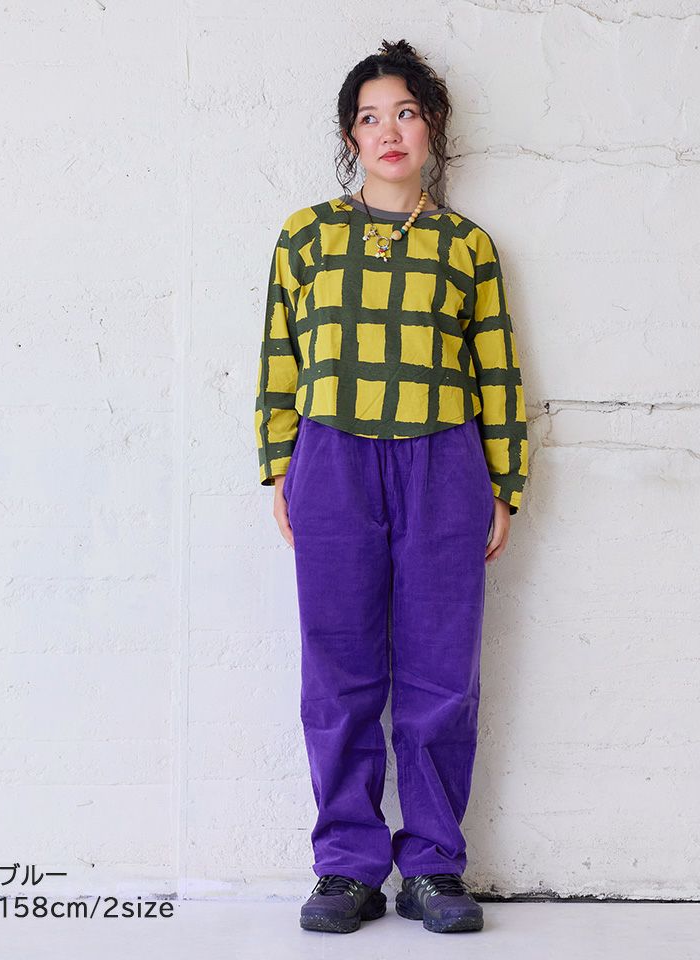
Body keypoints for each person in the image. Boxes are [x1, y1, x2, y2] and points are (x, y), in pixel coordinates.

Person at [254, 38, 529, 935]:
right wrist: (281, 463)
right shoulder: (306, 236)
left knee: (441, 672)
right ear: (350, 137)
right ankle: (346, 867)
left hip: (444, 464)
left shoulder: (467, 247)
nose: (389, 131)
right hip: (333, 461)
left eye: (405, 112)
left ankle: (435, 867)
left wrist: (505, 482)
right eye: (370, 117)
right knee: (338, 670)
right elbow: (280, 355)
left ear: (432, 125)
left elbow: (497, 370)